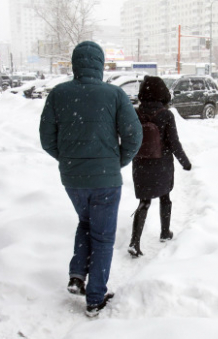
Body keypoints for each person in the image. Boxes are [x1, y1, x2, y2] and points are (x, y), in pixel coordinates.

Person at [39, 41, 142, 317]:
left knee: (85, 222)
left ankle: (76, 276)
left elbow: (47, 139)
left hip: (73, 180)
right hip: (106, 180)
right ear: (99, 64)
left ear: (75, 63)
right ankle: (95, 298)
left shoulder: (59, 94)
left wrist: (70, 161)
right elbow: (134, 135)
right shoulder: (115, 95)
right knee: (103, 237)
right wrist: (116, 161)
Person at [128, 76, 192, 258]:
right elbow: (174, 143)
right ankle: (165, 232)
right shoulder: (166, 115)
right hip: (162, 164)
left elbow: (129, 138)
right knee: (165, 196)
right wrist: (185, 162)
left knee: (144, 202)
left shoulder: (135, 113)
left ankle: (134, 241)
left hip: (140, 163)